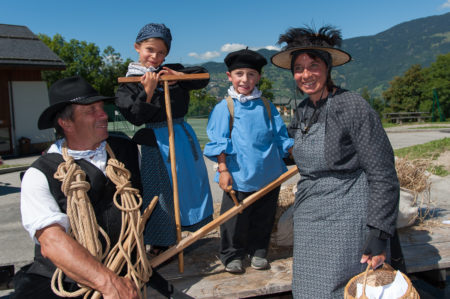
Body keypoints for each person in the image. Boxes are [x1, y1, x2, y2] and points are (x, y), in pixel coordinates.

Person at [271, 26, 400, 298]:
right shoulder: (304, 109)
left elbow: (382, 172)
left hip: (347, 213)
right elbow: (297, 151)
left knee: (341, 289)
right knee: (307, 288)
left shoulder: (352, 106)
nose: (305, 74)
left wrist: (378, 232)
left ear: (327, 68)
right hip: (309, 215)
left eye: (313, 66)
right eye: (298, 68)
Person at [13, 76, 141, 298]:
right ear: (66, 123)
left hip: (125, 270)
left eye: (101, 108)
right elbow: (51, 241)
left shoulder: (125, 152)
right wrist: (107, 282)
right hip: (64, 280)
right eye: (91, 110)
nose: (103, 115)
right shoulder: (40, 173)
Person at [115, 23, 213, 253]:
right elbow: (135, 117)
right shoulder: (128, 84)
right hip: (154, 142)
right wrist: (147, 91)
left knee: (189, 184)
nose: (155, 56)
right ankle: (162, 243)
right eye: (150, 49)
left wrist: (179, 77)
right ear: (137, 47)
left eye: (161, 52)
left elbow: (203, 77)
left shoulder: (171, 70)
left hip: (180, 136)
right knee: (160, 191)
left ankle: (188, 231)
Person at [203, 48, 294, 274]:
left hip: (269, 172)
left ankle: (259, 250)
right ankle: (232, 254)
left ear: (258, 77)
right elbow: (219, 141)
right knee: (234, 219)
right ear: (229, 76)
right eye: (240, 74)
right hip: (239, 174)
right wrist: (223, 170)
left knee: (263, 216)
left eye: (251, 74)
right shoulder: (226, 107)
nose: (245, 79)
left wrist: (298, 153)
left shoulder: (266, 105)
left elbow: (280, 136)